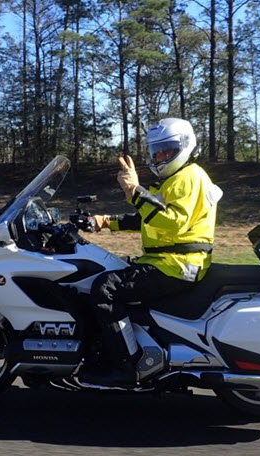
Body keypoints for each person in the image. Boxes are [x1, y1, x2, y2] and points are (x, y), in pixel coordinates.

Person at [80, 118, 223, 387]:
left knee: (105, 288)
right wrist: (106, 221)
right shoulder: (175, 179)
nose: (160, 156)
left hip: (177, 264)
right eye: (155, 151)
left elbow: (170, 221)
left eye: (166, 150)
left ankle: (126, 366)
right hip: (168, 260)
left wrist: (134, 192)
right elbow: (150, 218)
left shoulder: (188, 178)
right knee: (108, 271)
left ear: (185, 146)